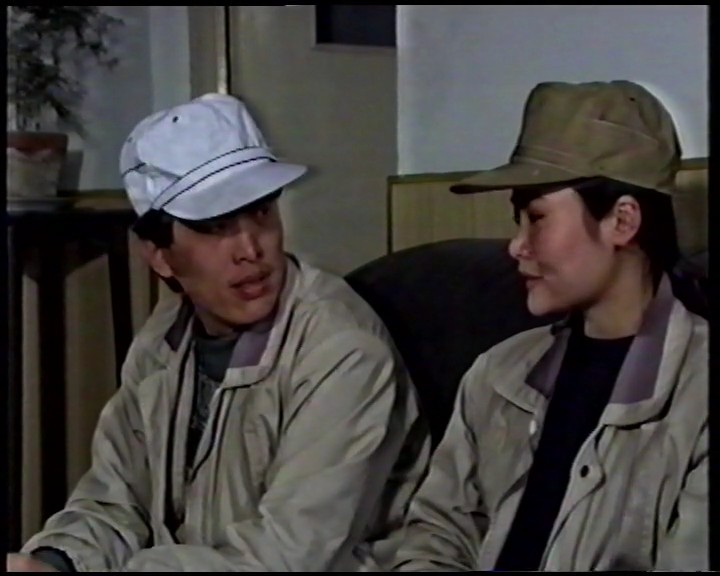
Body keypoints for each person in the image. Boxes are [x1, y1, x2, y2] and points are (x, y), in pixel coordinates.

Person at [7, 93, 430, 572]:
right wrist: (55, 562)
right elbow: (116, 501)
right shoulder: (162, 342)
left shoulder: (342, 350)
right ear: (159, 255)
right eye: (216, 226)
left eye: (261, 212)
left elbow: (288, 556)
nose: (250, 248)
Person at [389, 80, 708, 571]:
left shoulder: (698, 393)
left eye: (536, 218)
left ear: (623, 221)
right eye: (517, 219)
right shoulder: (498, 375)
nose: (516, 246)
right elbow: (435, 535)